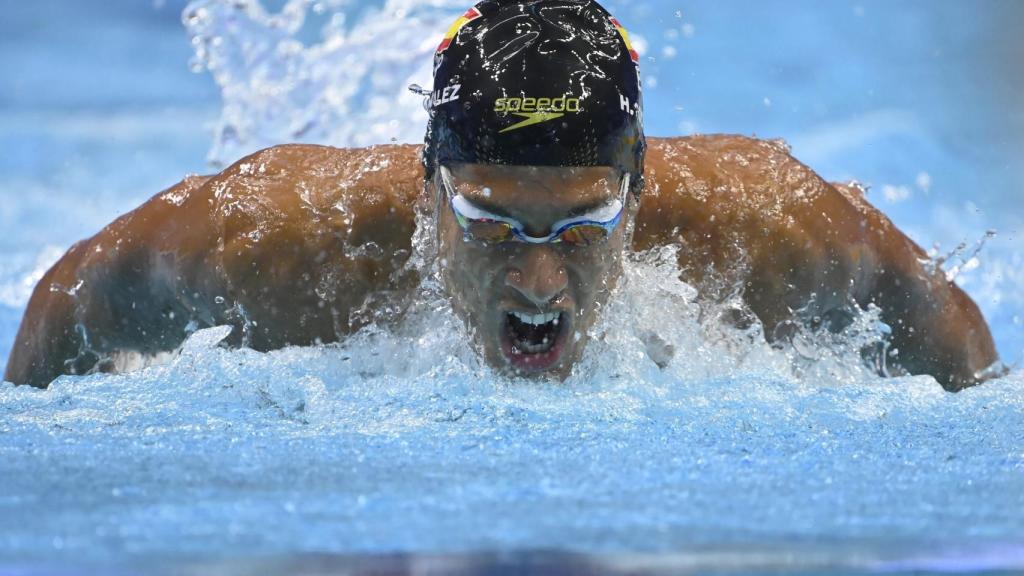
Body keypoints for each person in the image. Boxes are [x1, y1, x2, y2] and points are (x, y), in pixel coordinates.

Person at [4, 0, 1002, 391]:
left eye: (583, 226)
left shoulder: (774, 226)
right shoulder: (268, 239)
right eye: (490, 222)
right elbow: (68, 303)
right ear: (429, 190)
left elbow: (960, 357)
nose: (538, 276)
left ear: (637, 192)